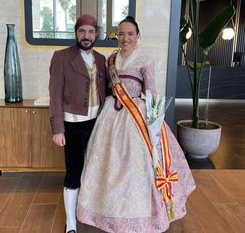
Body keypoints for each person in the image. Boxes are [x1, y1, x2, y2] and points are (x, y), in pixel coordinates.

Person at [76, 16, 196, 232]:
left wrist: (154, 122)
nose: (125, 38)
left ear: (138, 36)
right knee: (106, 164)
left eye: (130, 34)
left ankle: (143, 214)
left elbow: (151, 93)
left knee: (139, 165)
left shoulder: (145, 60)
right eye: (121, 34)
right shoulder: (110, 60)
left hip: (137, 116)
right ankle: (106, 211)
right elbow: (104, 89)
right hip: (110, 117)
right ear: (116, 36)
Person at [49, 14, 108, 233]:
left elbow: (107, 90)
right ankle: (71, 223)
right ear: (76, 32)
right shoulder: (61, 57)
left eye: (91, 32)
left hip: (97, 124)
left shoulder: (101, 59)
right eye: (82, 31)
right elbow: (54, 95)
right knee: (74, 172)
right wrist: (58, 129)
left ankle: (89, 212)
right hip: (72, 125)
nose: (86, 36)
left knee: (93, 171)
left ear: (96, 34)